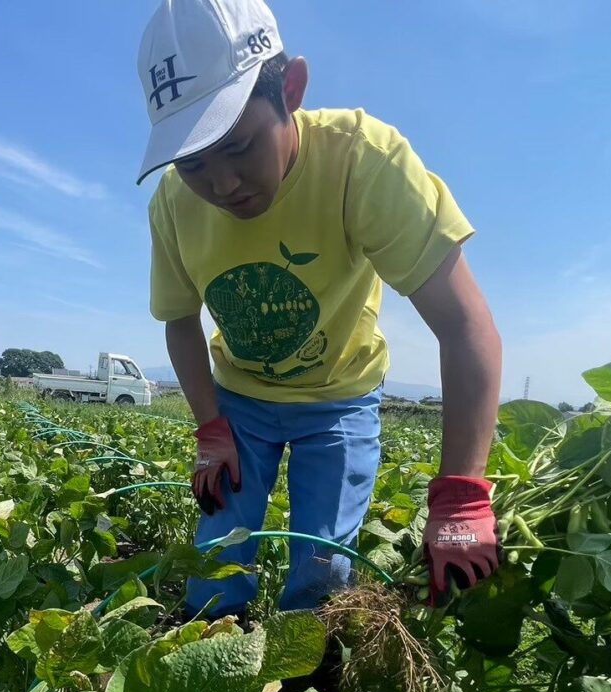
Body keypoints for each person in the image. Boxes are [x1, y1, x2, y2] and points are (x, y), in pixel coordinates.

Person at [137, 0, 502, 616]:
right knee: (217, 552)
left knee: (323, 564)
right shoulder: (174, 203)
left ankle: (307, 680)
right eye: (194, 163)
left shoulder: (364, 160)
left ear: (293, 90)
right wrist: (209, 428)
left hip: (339, 397)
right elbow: (180, 320)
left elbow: (466, 327)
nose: (222, 184)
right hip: (241, 400)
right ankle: (209, 664)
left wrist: (462, 493)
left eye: (240, 146)